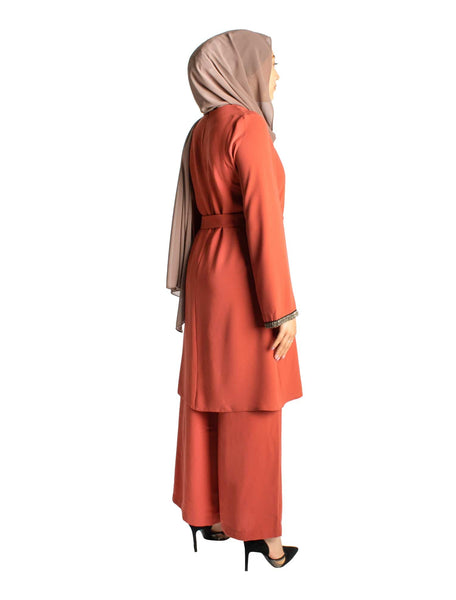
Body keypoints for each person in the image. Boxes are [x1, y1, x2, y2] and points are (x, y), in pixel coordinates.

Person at [166, 29, 303, 571]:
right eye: (270, 62)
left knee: (211, 392)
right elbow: (264, 223)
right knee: (253, 398)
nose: (277, 74)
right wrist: (282, 309)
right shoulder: (247, 126)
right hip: (243, 273)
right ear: (242, 69)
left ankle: (212, 514)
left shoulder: (201, 130)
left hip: (205, 267)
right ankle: (263, 535)